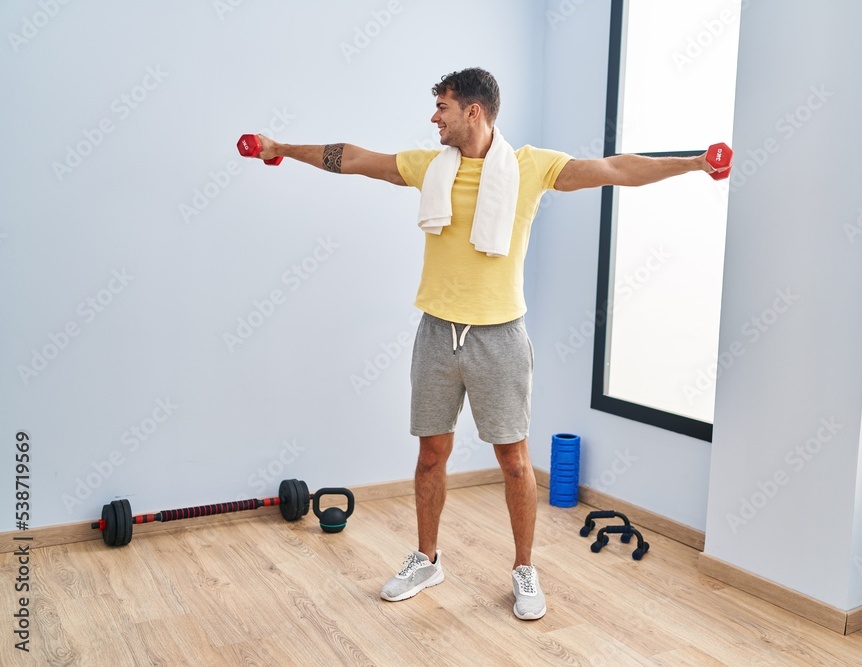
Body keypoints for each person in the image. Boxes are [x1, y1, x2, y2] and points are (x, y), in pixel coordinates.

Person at [250, 67, 726, 621]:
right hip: (436, 332)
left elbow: (616, 169)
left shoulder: (531, 168)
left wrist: (693, 163)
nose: (434, 118)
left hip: (500, 336)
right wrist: (281, 147)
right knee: (431, 456)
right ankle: (427, 559)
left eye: (443, 108)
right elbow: (355, 158)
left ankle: (525, 568)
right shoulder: (430, 168)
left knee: (516, 464)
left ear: (472, 112)